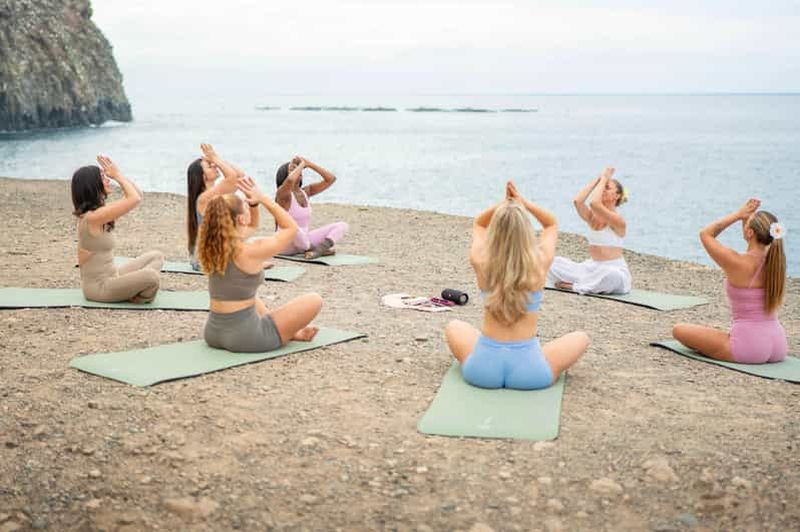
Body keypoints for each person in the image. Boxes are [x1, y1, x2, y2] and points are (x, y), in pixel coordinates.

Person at [444, 181, 589, 389]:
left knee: (454, 326)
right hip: (530, 372)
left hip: (482, 371)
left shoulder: (481, 260)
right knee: (580, 337)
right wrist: (523, 204)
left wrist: (505, 204)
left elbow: (479, 224)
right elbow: (551, 224)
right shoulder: (540, 262)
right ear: (526, 232)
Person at [197, 176, 322, 353]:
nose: (249, 209)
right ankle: (285, 332)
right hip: (246, 337)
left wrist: (254, 205)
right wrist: (263, 199)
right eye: (246, 208)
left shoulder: (214, 247)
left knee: (250, 295)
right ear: (240, 219)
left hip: (213, 333)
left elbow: (253, 226)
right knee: (314, 299)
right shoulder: (250, 250)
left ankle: (289, 332)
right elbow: (291, 229)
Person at [672, 200, 787, 363]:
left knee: (679, 330)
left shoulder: (737, 262)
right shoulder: (776, 264)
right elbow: (752, 248)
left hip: (749, 348)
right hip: (778, 345)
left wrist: (737, 215)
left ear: (750, 233)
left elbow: (706, 234)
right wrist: (745, 221)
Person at [72, 156, 164, 303]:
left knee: (156, 256)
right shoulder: (92, 218)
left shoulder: (100, 212)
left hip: (114, 276)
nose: (108, 180)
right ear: (92, 185)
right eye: (103, 177)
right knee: (151, 277)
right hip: (99, 288)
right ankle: (139, 297)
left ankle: (133, 290)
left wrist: (118, 173)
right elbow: (134, 199)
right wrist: (117, 176)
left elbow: (137, 194)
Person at [547, 167, 631, 295]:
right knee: (553, 262)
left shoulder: (618, 220)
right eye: (601, 187)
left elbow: (594, 204)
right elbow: (578, 201)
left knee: (612, 276)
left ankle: (575, 286)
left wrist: (604, 178)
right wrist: (599, 179)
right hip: (591, 268)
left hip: (613, 268)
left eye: (607, 188)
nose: (602, 189)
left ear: (617, 195)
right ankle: (586, 283)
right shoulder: (592, 217)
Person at [275, 156, 348, 259]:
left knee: (342, 225)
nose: (297, 171)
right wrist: (300, 166)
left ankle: (319, 250)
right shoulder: (282, 194)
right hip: (285, 245)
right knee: (293, 226)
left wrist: (308, 164)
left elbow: (330, 179)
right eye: (292, 169)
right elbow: (290, 180)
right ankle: (312, 249)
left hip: (304, 241)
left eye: (298, 170)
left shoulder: (305, 192)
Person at [186, 144, 244, 270]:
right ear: (203, 176)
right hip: (205, 258)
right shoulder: (204, 197)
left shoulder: (215, 191)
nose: (214, 166)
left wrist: (217, 159)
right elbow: (233, 178)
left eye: (212, 164)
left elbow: (239, 176)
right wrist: (215, 159)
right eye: (209, 166)